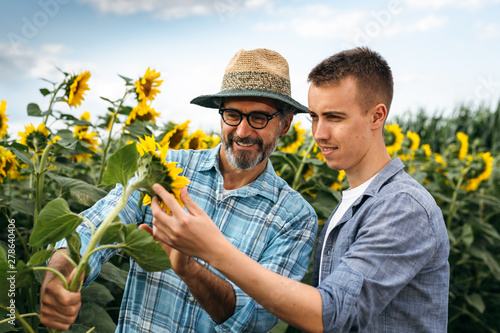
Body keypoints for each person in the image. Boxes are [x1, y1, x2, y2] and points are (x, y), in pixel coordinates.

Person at [150, 47, 450, 332]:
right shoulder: (356, 202)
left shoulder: (402, 207)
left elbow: (331, 314)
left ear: (376, 116)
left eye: (334, 117)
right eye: (315, 117)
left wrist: (213, 250)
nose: (319, 134)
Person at [40, 48, 318, 332]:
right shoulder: (167, 169)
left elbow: (254, 319)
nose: (243, 131)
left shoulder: (294, 217)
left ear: (285, 124)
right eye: (232, 114)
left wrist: (189, 269)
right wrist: (59, 279)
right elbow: (93, 229)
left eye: (259, 118)